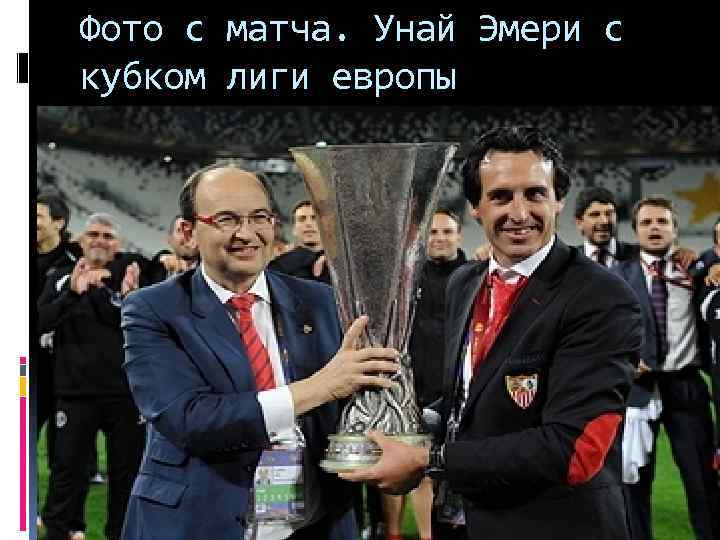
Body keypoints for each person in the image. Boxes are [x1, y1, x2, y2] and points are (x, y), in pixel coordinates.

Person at [339, 126, 642, 540]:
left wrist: (429, 459)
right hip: (463, 520)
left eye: (534, 194)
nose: (519, 212)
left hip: (551, 525)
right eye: (500, 196)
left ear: (558, 200)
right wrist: (404, 418)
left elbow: (574, 450)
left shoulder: (599, 295)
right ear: (475, 207)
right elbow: (468, 397)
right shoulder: (465, 282)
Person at [120, 163, 401, 540]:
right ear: (188, 231)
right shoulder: (153, 309)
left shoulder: (320, 301)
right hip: (202, 523)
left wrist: (405, 432)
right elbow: (191, 420)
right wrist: (321, 386)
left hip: (315, 522)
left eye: (259, 217)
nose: (246, 233)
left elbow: (358, 405)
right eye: (226, 219)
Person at [613, 196, 719, 540]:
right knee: (634, 483)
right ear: (635, 232)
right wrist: (625, 360)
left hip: (686, 385)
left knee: (702, 479)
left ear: (675, 229)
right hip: (638, 389)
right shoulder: (617, 276)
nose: (654, 228)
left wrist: (714, 261)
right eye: (646, 222)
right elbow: (603, 331)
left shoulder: (697, 270)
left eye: (662, 222)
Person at [39, 213, 148, 540]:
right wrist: (72, 294)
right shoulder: (61, 277)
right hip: (74, 393)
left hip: (124, 394)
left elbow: (143, 329)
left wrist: (128, 301)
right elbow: (38, 323)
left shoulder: (132, 277)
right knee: (67, 472)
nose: (100, 241)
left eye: (107, 236)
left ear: (118, 245)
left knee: (126, 475)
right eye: (94, 234)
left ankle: (122, 534)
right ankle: (60, 532)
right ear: (81, 240)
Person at [379, 209, 467, 540]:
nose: (440, 238)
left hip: (458, 390)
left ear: (459, 235)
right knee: (413, 465)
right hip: (411, 388)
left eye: (447, 231)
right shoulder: (408, 276)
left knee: (447, 468)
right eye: (433, 232)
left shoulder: (474, 275)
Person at [268, 199, 330, 283]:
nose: (308, 224)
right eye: (302, 219)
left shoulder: (340, 263)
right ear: (294, 229)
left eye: (314, 218)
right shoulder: (279, 266)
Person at [148, 215, 199, 283]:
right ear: (170, 239)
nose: (186, 236)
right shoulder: (156, 267)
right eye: (179, 231)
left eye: (190, 231)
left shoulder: (207, 271)